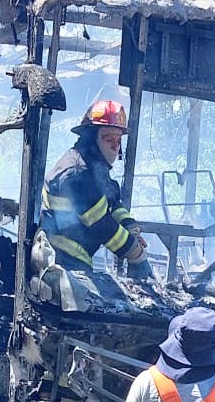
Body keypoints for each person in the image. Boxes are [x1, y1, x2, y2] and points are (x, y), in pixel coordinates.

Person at [39, 100, 151, 280]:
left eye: (118, 140)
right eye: (109, 139)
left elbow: (112, 202)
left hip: (75, 262)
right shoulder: (78, 173)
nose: (115, 147)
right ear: (91, 139)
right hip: (61, 264)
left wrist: (131, 228)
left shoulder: (94, 167)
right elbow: (101, 226)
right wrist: (135, 252)